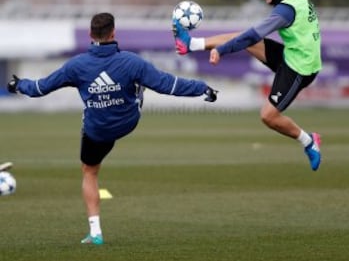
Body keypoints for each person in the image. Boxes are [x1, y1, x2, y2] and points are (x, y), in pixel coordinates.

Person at [7, 12, 218, 245]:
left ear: (90, 34)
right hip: (128, 121)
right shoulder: (131, 61)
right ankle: (137, 90)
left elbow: (40, 88)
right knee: (142, 82)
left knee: (89, 172)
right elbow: (167, 84)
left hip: (97, 130)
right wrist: (202, 88)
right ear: (113, 33)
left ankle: (95, 233)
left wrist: (18, 85)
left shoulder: (76, 65)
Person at [173, 0, 322, 171]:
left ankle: (309, 141)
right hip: (292, 54)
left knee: (268, 116)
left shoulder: (286, 10)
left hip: (300, 68)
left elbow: (253, 35)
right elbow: (251, 36)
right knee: (247, 37)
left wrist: (222, 50)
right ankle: (192, 44)